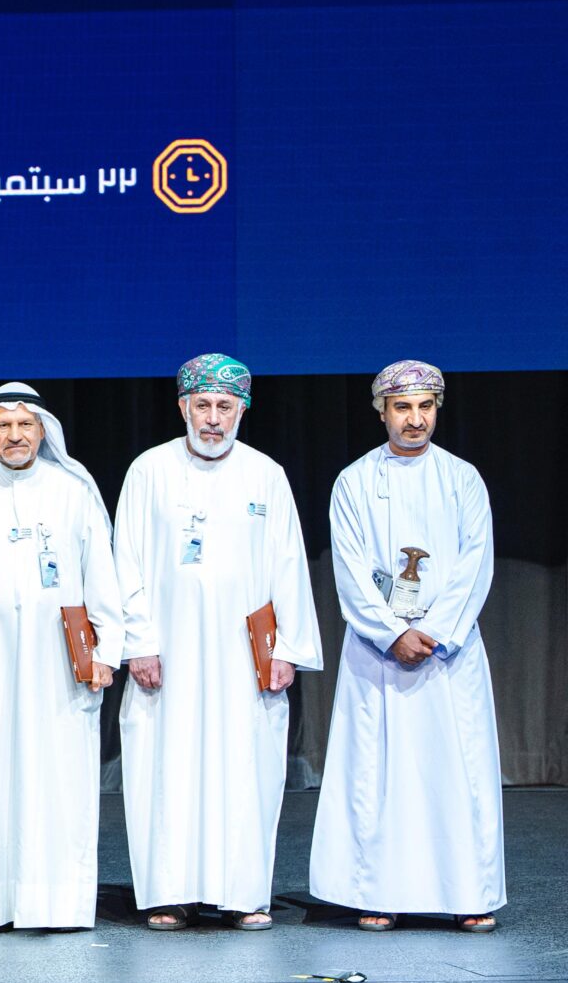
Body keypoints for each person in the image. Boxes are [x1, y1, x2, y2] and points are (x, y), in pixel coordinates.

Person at [114, 354, 322, 930]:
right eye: (202, 405)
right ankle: (169, 892)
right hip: (168, 652)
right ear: (183, 407)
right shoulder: (149, 470)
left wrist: (287, 650)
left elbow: (288, 565)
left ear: (242, 411)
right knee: (167, 764)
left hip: (243, 657)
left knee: (245, 765)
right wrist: (139, 641)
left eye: (224, 407)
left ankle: (243, 893)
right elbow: (125, 561)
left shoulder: (265, 474)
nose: (212, 419)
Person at [310, 361, 503, 933]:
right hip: (379, 651)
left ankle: (468, 892)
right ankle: (378, 891)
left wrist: (435, 631)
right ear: (382, 412)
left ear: (437, 409)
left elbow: (476, 562)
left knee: (458, 769)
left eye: (425, 407)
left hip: (448, 651)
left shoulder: (462, 478)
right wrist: (392, 633)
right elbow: (348, 568)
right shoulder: (354, 481)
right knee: (376, 772)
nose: (415, 419)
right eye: (402, 408)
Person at [0, 383, 120, 931]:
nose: (15, 435)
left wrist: (107, 649)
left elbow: (102, 574)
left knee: (61, 775)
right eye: (3, 426)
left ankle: (59, 904)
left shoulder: (73, 491)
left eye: (25, 424)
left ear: (43, 431)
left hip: (61, 666)